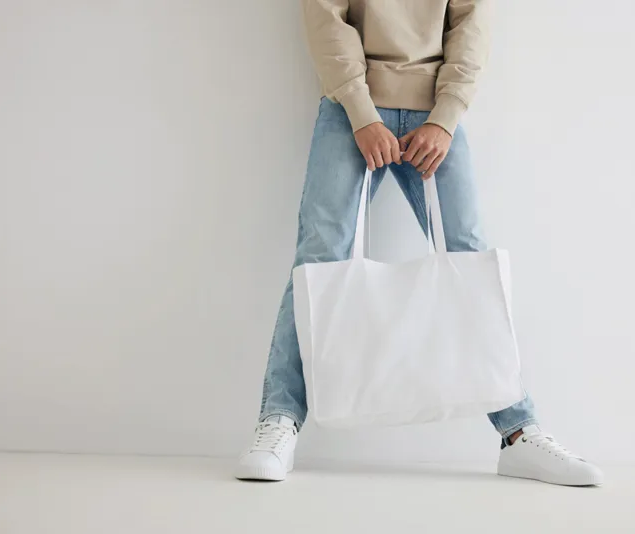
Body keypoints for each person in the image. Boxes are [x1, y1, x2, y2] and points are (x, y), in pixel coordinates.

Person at [235, 0, 603, 486]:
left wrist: (445, 117)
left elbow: (470, 25)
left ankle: (518, 433)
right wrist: (362, 112)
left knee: (470, 261)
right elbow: (326, 17)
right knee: (318, 261)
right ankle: (279, 420)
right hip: (350, 109)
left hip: (436, 113)